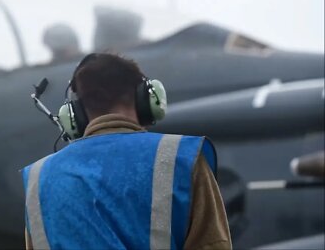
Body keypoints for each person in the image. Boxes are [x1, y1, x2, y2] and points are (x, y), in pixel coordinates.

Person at [22, 53, 232, 250]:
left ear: (74, 115)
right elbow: (213, 244)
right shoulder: (181, 158)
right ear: (147, 100)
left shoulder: (37, 178)